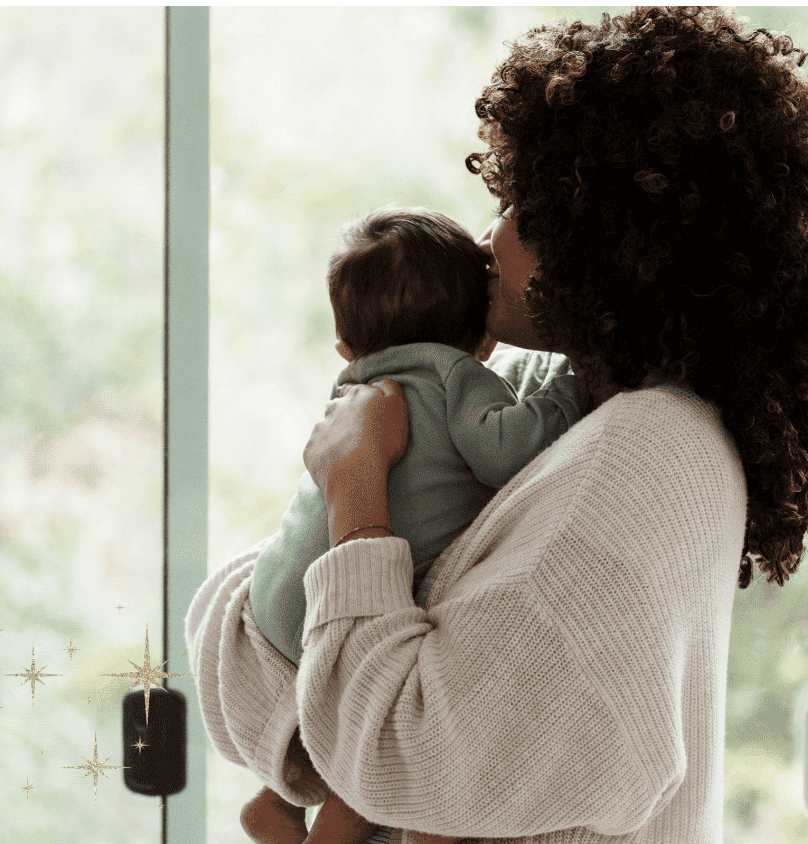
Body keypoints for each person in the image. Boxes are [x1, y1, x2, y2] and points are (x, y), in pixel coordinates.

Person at [185, 8, 808, 844]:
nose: (489, 238)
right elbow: (231, 642)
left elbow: (396, 753)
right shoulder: (555, 403)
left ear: (622, 242)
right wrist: (328, 703)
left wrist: (355, 486)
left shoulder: (643, 459)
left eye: (524, 208)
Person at [236, 207, 582, 844]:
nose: (490, 229)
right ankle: (334, 821)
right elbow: (504, 450)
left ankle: (275, 803)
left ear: (346, 345)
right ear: (484, 340)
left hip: (279, 594)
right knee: (380, 747)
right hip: (351, 601)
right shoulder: (458, 377)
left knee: (340, 712)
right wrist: (567, 392)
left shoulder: (356, 382)